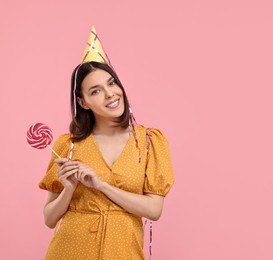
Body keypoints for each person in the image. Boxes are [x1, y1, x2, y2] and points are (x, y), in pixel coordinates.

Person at [38, 26, 174, 260]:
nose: (110, 94)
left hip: (123, 253)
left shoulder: (150, 142)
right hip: (70, 251)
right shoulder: (68, 145)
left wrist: (101, 185)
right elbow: (50, 218)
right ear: (83, 102)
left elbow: (154, 210)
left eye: (112, 83)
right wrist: (68, 189)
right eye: (96, 91)